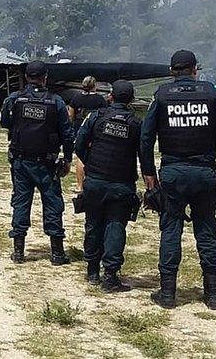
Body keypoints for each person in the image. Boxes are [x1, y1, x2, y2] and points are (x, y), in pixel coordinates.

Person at [140, 50, 216, 310]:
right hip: (205, 173)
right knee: (206, 230)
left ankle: (168, 293)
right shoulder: (211, 93)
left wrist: (148, 172)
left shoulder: (161, 95)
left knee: (171, 230)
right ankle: (213, 294)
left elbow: (146, 138)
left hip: (172, 173)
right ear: (195, 69)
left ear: (172, 71)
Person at [0, 61, 74, 266]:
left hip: (21, 162)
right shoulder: (56, 102)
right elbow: (67, 134)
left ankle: (19, 252)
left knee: (21, 202)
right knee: (52, 203)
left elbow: (5, 122)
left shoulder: (14, 99)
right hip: (47, 164)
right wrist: (67, 158)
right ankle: (57, 254)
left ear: (26, 77)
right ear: (45, 77)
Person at [74, 80, 143, 292]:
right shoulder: (136, 123)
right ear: (131, 100)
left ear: (110, 96)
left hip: (95, 180)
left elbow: (79, 145)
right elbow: (144, 153)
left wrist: (92, 163)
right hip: (122, 183)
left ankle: (92, 270)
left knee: (93, 223)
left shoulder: (96, 116)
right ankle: (110, 275)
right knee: (115, 225)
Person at [68, 76, 109, 193]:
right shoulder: (100, 99)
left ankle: (79, 185)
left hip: (79, 128)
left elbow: (71, 115)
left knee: (80, 157)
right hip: (94, 129)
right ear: (94, 85)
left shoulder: (76, 98)